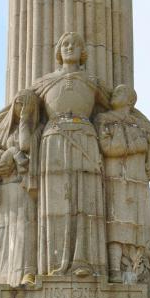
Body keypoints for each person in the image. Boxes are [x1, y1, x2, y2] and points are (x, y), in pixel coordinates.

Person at [32, 32, 109, 277]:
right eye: (65, 44)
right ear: (58, 50)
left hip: (85, 136)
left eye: (75, 44)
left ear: (83, 52)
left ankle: (84, 262)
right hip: (53, 138)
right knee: (56, 201)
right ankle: (53, 266)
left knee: (86, 199)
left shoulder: (92, 82)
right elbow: (17, 108)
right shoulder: (43, 83)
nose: (69, 47)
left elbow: (119, 108)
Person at [95, 85, 150, 284]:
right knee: (116, 222)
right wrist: (135, 147)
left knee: (139, 224)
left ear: (131, 100)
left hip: (139, 180)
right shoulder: (104, 120)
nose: (114, 95)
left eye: (119, 93)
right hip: (115, 178)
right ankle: (115, 270)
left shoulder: (141, 124)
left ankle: (139, 272)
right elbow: (106, 147)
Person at [0, 90, 41, 288]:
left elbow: (26, 146)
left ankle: (26, 274)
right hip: (4, 191)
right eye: (19, 104)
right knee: (2, 237)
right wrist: (3, 156)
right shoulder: (0, 133)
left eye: (27, 105)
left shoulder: (36, 130)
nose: (21, 108)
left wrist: (25, 120)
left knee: (25, 230)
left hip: (23, 189)